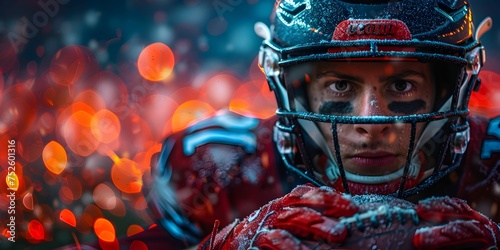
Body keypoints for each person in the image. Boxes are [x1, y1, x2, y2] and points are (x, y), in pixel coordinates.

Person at [64, 0, 500, 249]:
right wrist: (225, 243)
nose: (371, 119)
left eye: (402, 84)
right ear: (296, 88)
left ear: (448, 88)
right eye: (341, 86)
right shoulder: (224, 166)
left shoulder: (492, 162)